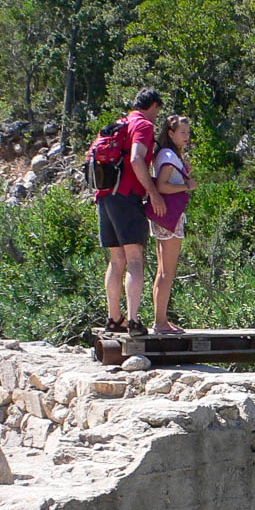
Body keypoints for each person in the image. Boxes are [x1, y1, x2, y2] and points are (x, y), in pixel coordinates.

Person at [98, 88, 168, 335]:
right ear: (154, 106)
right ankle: (134, 321)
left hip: (105, 196)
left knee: (116, 260)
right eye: (157, 111)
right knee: (135, 259)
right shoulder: (143, 125)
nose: (156, 117)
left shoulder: (120, 123)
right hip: (127, 196)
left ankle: (114, 319)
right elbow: (137, 159)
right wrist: (153, 192)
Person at [144, 114, 197, 334]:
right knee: (167, 271)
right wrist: (187, 185)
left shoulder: (166, 155)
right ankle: (160, 322)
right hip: (170, 218)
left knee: (162, 271)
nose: (187, 136)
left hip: (163, 218)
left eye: (188, 132)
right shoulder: (167, 155)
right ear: (171, 133)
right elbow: (163, 186)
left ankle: (161, 320)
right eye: (182, 132)